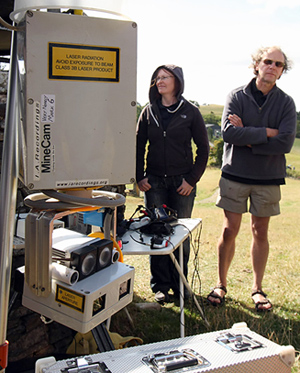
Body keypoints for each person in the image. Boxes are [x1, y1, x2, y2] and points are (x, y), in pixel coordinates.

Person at [207, 46, 297, 311]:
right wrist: (265, 133)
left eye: (278, 64)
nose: (272, 67)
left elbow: (285, 143)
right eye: (268, 61)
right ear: (256, 65)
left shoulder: (287, 103)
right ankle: (221, 284)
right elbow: (228, 134)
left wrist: (248, 134)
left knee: (260, 231)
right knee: (229, 230)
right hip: (235, 173)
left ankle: (257, 289)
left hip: (268, 177)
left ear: (281, 72)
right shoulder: (236, 96)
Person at [136, 64, 209, 303]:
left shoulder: (192, 112)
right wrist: (139, 176)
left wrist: (192, 179)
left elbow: (204, 149)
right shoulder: (148, 111)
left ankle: (180, 285)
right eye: (157, 78)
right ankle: (160, 286)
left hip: (182, 183)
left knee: (179, 233)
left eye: (165, 77)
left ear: (177, 81)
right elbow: (138, 146)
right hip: (154, 182)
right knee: (157, 231)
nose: (160, 81)